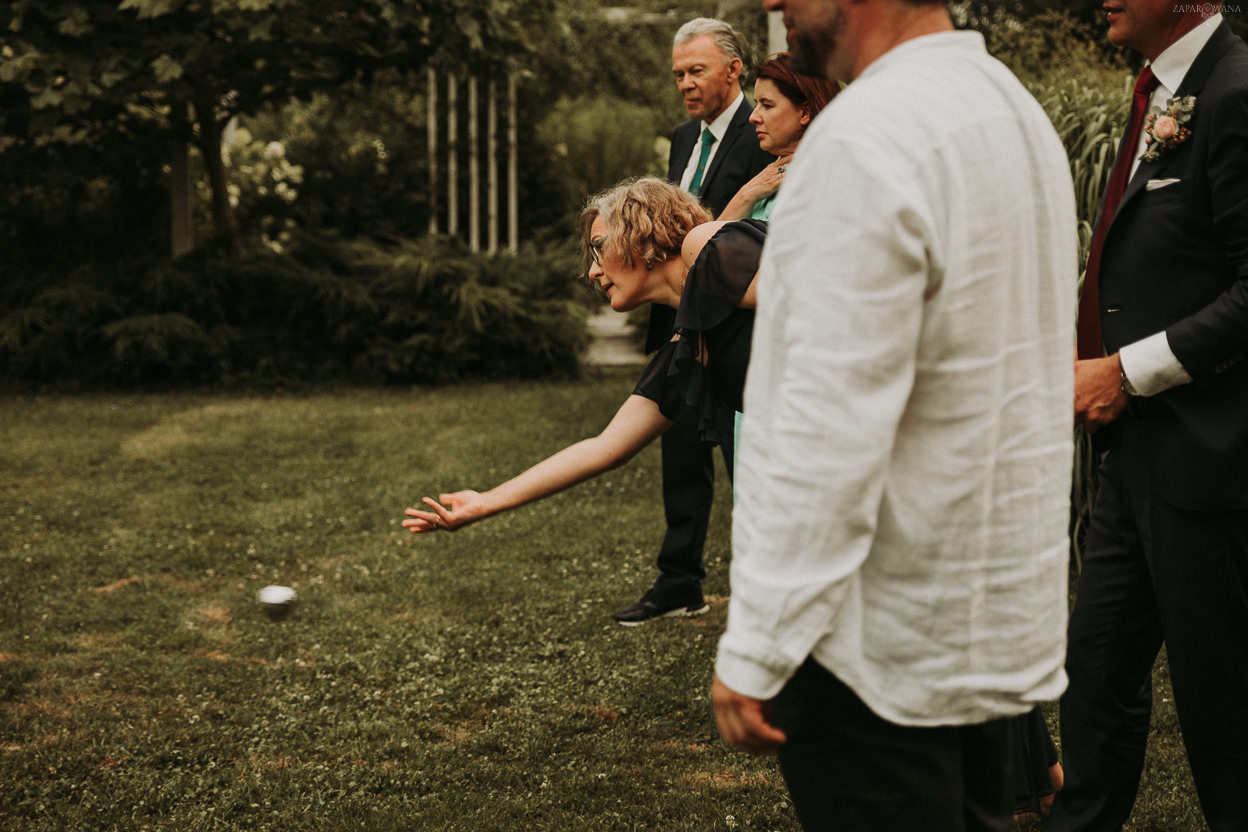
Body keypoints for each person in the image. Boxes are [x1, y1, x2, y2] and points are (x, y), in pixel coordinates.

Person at [711, 1, 1077, 830]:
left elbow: (822, 423)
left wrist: (760, 641)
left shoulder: (863, 137)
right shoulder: (1009, 109)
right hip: (979, 627)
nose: (773, 3)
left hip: (870, 649)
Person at [1047, 3, 1248, 830]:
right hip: (1135, 457)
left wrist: (1126, 374)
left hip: (1212, 463)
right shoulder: (1161, 90)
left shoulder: (1234, 92)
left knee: (1223, 701)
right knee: (1094, 669)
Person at [402, 178, 765, 545]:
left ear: (641, 232)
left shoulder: (704, 246)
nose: (592, 272)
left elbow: (818, 307)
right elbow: (605, 448)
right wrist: (486, 501)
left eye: (598, 248)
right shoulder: (689, 344)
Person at [619, 17, 775, 628]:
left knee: (747, 460)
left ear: (733, 70)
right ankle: (679, 580)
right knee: (679, 453)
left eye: (697, 71)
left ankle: (764, 586)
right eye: (679, 73)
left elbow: (731, 234)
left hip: (734, 328)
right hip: (675, 317)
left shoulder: (763, 129)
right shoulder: (684, 138)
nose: (685, 83)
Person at [719, 52, 839, 222]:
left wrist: (745, 196)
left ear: (805, 112)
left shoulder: (817, 182)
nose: (753, 117)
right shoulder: (770, 177)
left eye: (767, 105)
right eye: (756, 104)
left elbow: (709, 246)